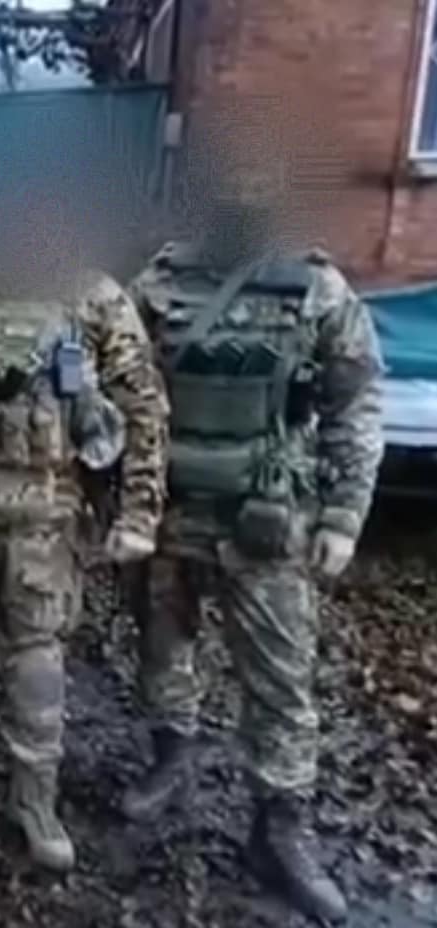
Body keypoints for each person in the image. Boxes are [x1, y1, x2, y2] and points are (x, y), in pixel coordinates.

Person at [123, 155, 384, 921]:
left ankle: (279, 830)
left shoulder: (315, 288)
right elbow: (124, 389)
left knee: (279, 680)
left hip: (264, 520)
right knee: (160, 649)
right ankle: (171, 756)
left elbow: (354, 404)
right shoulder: (158, 283)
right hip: (170, 513)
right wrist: (121, 501)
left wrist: (342, 516)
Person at [0, 226, 169, 871]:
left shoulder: (93, 297)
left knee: (36, 654)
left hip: (46, 507)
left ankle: (34, 796)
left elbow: (144, 407)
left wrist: (139, 512)